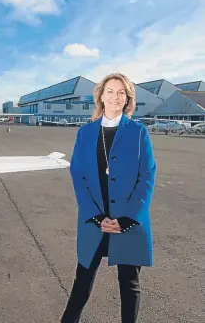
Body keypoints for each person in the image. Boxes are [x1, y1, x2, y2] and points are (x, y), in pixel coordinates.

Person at [61, 73, 157, 323]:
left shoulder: (138, 132)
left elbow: (147, 176)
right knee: (82, 282)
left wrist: (128, 217)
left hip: (128, 221)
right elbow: (78, 174)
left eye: (121, 92)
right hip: (95, 220)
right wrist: (94, 215)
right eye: (111, 91)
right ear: (101, 97)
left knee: (129, 284)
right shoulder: (86, 133)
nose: (116, 97)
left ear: (128, 99)